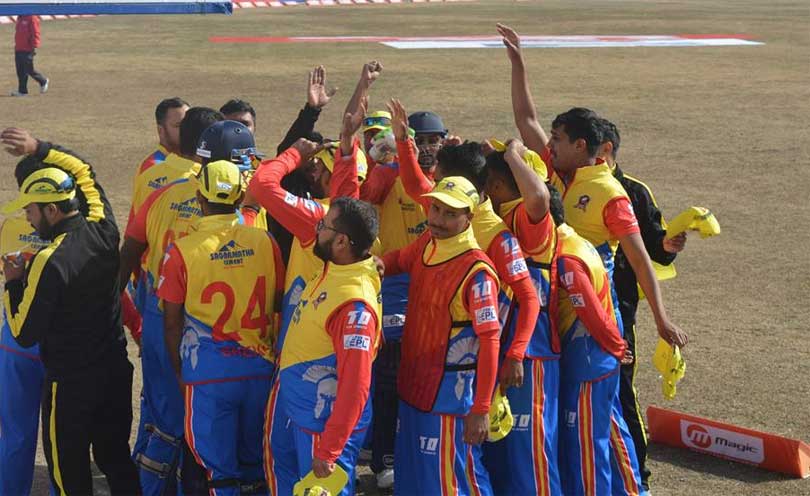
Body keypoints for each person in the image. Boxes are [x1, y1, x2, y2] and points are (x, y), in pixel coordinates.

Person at [497, 23, 687, 353]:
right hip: (550, 303)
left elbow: (639, 259)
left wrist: (662, 319)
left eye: (556, 139)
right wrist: (518, 63)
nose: (549, 145)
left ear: (580, 145)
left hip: (588, 315)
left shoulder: (611, 194)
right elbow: (526, 120)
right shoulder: (556, 169)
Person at [0, 127, 140, 495]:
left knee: (68, 475)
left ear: (51, 209)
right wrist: (38, 147)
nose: (28, 218)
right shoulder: (105, 229)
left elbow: (23, 331)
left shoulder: (49, 260)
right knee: (117, 461)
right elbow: (84, 170)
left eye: (31, 210)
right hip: (114, 371)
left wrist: (13, 283)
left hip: (71, 385)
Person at [158, 159, 285, 495]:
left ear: (199, 197)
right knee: (257, 469)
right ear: (241, 196)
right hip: (260, 370)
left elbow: (171, 323)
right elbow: (278, 303)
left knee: (219, 473)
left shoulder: (182, 251)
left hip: (208, 375)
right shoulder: (266, 241)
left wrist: (180, 371)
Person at [119, 108, 224, 496]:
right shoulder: (221, 194)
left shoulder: (156, 182)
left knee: (159, 412)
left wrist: (122, 306)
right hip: (196, 319)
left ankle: (145, 483)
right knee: (192, 421)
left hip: (155, 304)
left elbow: (129, 249)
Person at [382, 176, 500, 496]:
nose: (437, 219)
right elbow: (399, 260)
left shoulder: (477, 273)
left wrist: (481, 408)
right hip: (412, 389)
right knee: (413, 481)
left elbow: (490, 342)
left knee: (455, 483)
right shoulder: (428, 243)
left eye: (450, 214)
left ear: (469, 218)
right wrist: (371, 265)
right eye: (435, 209)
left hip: (448, 401)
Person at [264, 196, 381, 496]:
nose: (317, 229)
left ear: (341, 241)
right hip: (301, 412)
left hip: (322, 427)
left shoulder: (354, 307)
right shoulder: (337, 267)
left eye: (324, 225)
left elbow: (356, 386)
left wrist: (329, 450)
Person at [601, 119, 686, 490]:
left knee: (621, 392)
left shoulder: (634, 192)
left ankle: (639, 478)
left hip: (619, 311)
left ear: (604, 149)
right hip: (572, 311)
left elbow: (657, 249)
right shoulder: (567, 183)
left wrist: (667, 245)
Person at [548, 185, 646, 496]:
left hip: (589, 362)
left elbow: (589, 310)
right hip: (597, 359)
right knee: (610, 430)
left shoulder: (565, 256)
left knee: (587, 448)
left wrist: (616, 346)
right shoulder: (577, 241)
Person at [480, 141, 562, 494]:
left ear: (498, 185)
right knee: (505, 450)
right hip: (507, 347)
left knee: (531, 450)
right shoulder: (499, 215)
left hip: (532, 352)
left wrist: (512, 154)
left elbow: (539, 199)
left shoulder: (525, 217)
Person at [0, 201, 48, 495]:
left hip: (16, 345)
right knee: (63, 439)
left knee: (15, 434)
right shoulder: (76, 236)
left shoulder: (10, 228)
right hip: (61, 348)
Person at [129, 98, 190, 222]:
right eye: (178, 126)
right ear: (160, 131)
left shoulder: (191, 161)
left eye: (188, 124)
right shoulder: (153, 168)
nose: (187, 131)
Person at [11, 15, 48, 97]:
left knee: (26, 70)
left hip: (27, 49)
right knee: (22, 70)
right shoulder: (20, 17)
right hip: (19, 48)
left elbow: (36, 33)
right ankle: (41, 82)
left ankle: (24, 91)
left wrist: (34, 47)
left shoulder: (32, 18)